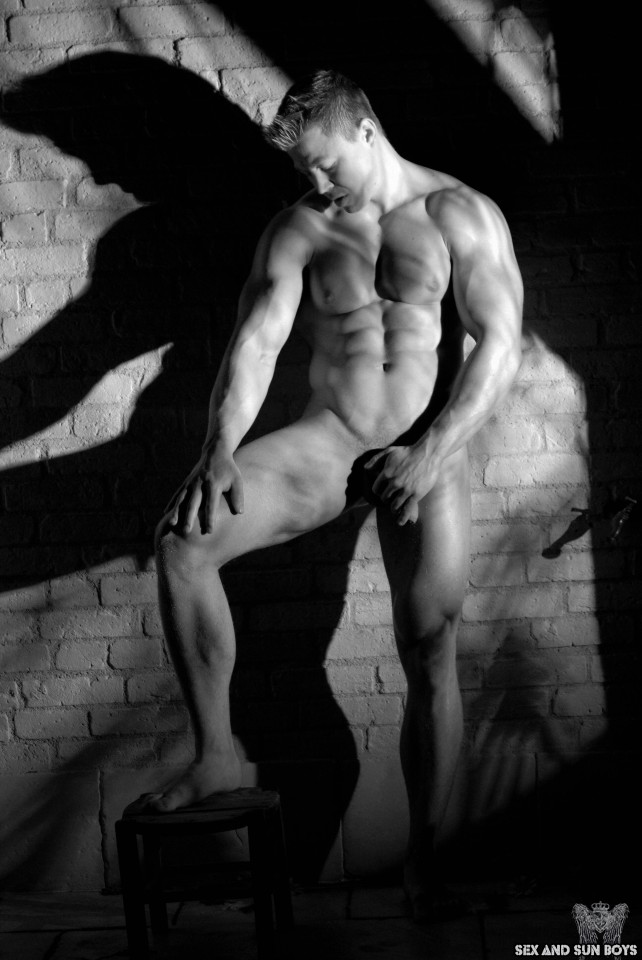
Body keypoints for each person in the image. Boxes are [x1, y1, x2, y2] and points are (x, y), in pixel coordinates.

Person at [144, 69, 523, 919]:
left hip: (426, 450)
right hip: (329, 444)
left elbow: (501, 345)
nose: (316, 183)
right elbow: (257, 342)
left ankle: (426, 863)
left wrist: (430, 453)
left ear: (366, 131)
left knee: (430, 646)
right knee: (182, 542)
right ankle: (216, 754)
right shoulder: (299, 228)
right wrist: (218, 450)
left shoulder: (460, 213)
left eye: (326, 164)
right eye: (303, 172)